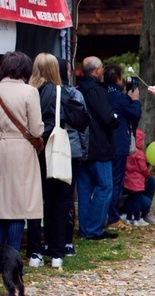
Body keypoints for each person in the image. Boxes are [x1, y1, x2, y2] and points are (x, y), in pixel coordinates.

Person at [28, 54, 90, 268]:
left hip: (32, 150)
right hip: (57, 150)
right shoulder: (62, 93)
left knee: (35, 201)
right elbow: (82, 120)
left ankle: (35, 251)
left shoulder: (28, 92)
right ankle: (56, 252)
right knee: (59, 201)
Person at [0, 52, 43, 252]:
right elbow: (36, 129)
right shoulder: (29, 92)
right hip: (21, 151)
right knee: (17, 206)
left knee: (2, 204)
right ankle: (13, 258)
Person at [77, 56, 120, 240]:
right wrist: (115, 118)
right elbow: (108, 118)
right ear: (96, 71)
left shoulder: (78, 89)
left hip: (82, 145)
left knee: (85, 188)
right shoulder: (96, 90)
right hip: (99, 146)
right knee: (104, 186)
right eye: (101, 67)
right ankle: (94, 229)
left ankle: (85, 228)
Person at [104, 63, 142, 229]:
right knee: (116, 181)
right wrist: (135, 101)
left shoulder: (102, 94)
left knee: (103, 182)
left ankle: (104, 215)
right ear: (119, 79)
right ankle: (113, 217)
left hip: (103, 143)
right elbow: (135, 115)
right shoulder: (120, 98)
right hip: (118, 144)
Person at [59, 57, 89, 256]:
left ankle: (49, 240)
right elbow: (83, 126)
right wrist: (85, 150)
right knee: (69, 197)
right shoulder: (74, 94)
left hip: (51, 149)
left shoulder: (41, 92)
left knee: (51, 197)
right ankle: (67, 241)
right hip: (73, 149)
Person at [122, 129, 155, 226]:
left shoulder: (127, 153)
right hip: (137, 182)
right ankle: (137, 218)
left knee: (132, 199)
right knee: (136, 200)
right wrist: (147, 174)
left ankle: (129, 217)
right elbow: (142, 168)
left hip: (128, 181)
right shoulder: (139, 154)